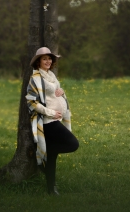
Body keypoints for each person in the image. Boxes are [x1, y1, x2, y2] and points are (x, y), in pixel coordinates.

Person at [26, 46, 79, 195]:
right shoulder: (35, 79)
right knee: (73, 144)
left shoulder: (51, 75)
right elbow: (31, 102)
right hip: (48, 122)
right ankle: (46, 152)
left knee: (52, 158)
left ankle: (51, 188)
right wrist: (50, 112)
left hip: (56, 120)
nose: (48, 61)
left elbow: (52, 93)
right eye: (45, 59)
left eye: (50, 58)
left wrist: (61, 92)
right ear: (38, 62)